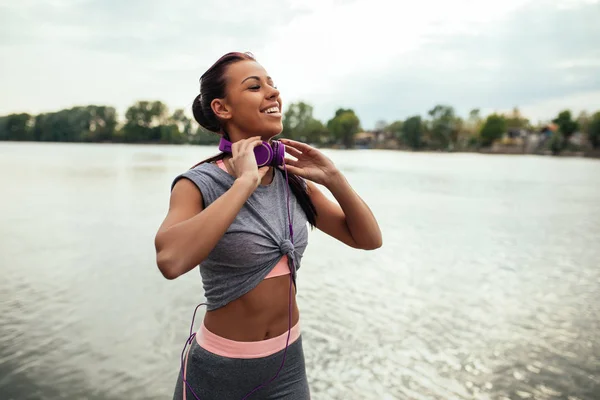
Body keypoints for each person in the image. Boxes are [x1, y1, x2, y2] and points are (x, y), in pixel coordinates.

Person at [154, 51, 382, 400]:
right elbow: (170, 261)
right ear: (222, 108)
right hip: (218, 374)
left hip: (288, 368)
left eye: (273, 85)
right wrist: (244, 182)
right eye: (255, 87)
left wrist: (334, 178)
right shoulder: (198, 183)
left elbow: (368, 239)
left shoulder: (292, 181)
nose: (273, 93)